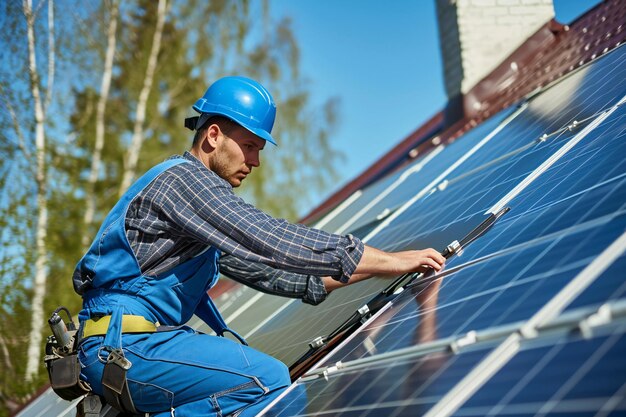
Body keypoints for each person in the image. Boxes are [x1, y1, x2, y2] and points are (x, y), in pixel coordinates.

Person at [73, 76, 445, 417]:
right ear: (214, 135)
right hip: (126, 347)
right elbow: (270, 238)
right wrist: (391, 259)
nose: (255, 161)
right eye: (249, 146)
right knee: (268, 381)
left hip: (135, 348)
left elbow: (281, 277)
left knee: (260, 384)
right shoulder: (185, 182)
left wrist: (383, 270)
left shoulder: (197, 219)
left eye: (259, 149)